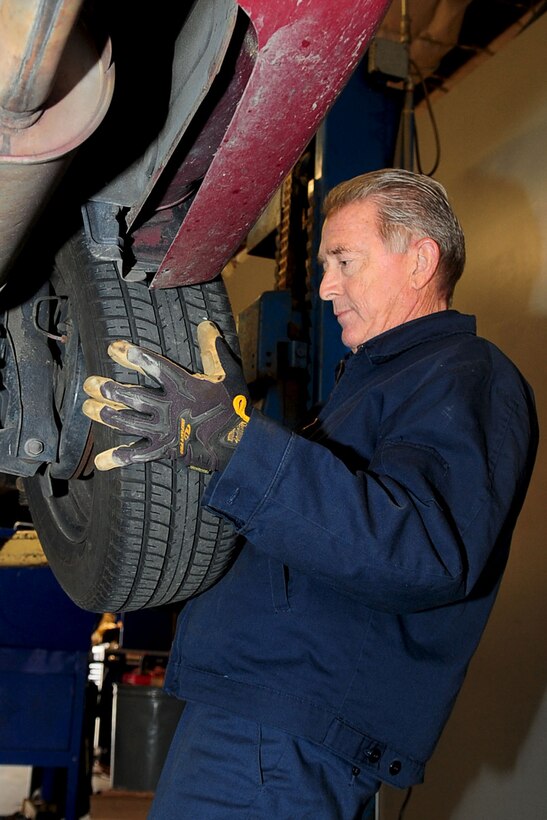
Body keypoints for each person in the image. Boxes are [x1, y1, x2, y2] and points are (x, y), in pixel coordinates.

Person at [82, 169, 538, 818]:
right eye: (325, 264)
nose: (325, 288)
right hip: (259, 722)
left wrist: (236, 447)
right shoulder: (375, 386)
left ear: (419, 259)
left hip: (281, 738)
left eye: (343, 261)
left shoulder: (466, 376)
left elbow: (423, 553)